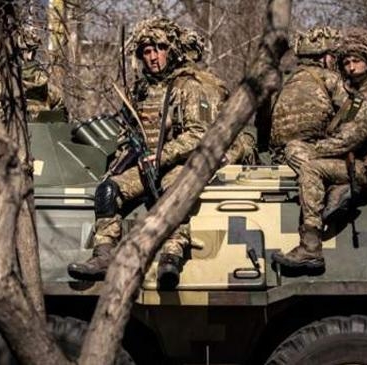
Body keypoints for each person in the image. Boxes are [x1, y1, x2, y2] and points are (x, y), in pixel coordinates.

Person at [67, 17, 253, 289]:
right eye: (146, 51)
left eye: (159, 49)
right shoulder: (141, 90)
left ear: (171, 50)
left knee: (171, 191)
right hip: (145, 161)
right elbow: (128, 130)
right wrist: (122, 157)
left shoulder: (188, 86)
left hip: (180, 161)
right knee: (107, 190)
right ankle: (104, 255)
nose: (153, 57)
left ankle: (172, 257)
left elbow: (198, 134)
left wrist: (161, 156)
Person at [271, 29, 367, 273]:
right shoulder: (360, 93)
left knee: (311, 168)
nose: (350, 68)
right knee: (296, 150)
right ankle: (337, 190)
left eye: (356, 61)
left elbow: (349, 138)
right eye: (345, 62)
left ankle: (311, 247)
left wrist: (314, 149)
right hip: (360, 164)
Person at [269, 26, 346, 172]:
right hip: (313, 153)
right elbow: (350, 114)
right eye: (332, 56)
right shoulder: (330, 78)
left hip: (281, 158)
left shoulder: (285, 82)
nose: (335, 60)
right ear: (323, 57)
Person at [0, 28, 65, 122]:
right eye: (23, 53)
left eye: (31, 53)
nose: (29, 58)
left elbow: (61, 129)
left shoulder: (50, 93)